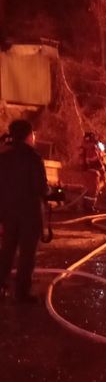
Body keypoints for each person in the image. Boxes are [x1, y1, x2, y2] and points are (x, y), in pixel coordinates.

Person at [0, 118, 48, 303]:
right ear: (29, 135)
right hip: (29, 214)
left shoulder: (3, 157)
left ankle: (2, 285)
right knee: (27, 254)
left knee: (7, 250)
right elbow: (41, 188)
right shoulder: (33, 158)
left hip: (8, 213)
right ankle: (22, 293)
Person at [79, 131, 106, 212]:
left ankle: (85, 205)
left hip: (86, 172)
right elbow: (94, 161)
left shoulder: (84, 146)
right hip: (92, 172)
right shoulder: (91, 147)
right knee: (93, 191)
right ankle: (90, 207)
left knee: (88, 190)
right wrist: (103, 168)